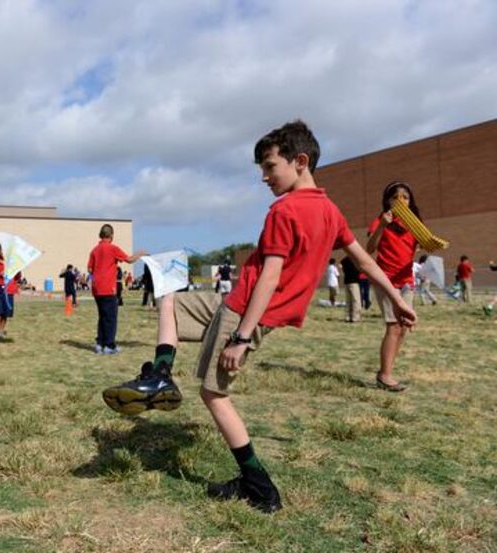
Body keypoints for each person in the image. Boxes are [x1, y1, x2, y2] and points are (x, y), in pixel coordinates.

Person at [101, 121, 416, 513]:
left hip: (243, 313)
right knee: (168, 296)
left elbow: (269, 276)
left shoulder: (285, 210)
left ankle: (259, 486)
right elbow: (365, 260)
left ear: (299, 162)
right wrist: (395, 297)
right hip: (235, 303)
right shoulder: (330, 211)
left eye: (269, 167)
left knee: (214, 394)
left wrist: (242, 336)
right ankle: (160, 375)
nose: (264, 177)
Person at [366, 181, 421, 392]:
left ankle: (386, 371)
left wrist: (428, 244)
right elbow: (370, 248)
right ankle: (385, 375)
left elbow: (416, 248)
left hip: (406, 280)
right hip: (385, 279)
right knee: (393, 325)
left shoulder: (415, 224)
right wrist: (382, 225)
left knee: (404, 326)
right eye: (395, 197)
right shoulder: (381, 220)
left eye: (405, 197)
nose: (401, 200)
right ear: (388, 201)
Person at [88, 224, 146, 354]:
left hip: (96, 288)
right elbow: (129, 260)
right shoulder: (112, 248)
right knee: (111, 318)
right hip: (108, 288)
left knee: (102, 316)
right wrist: (140, 253)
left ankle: (100, 343)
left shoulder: (94, 250)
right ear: (111, 235)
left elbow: (89, 269)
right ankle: (109, 345)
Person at [340, 256, 361, 322]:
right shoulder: (355, 260)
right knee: (356, 300)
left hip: (347, 281)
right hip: (354, 282)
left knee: (348, 301)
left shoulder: (345, 260)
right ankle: (355, 317)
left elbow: (341, 265)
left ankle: (348, 316)